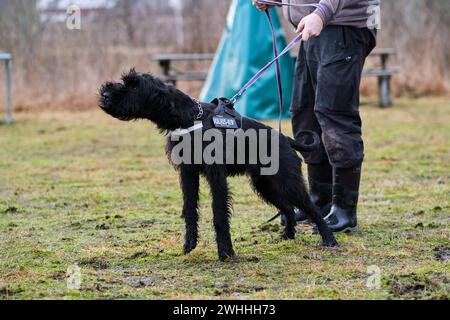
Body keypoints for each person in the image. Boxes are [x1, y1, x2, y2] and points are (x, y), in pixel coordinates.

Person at [253, 0, 379, 233]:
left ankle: (344, 210)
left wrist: (321, 13)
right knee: (305, 114)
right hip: (316, 27)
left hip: (343, 27)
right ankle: (320, 202)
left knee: (335, 115)